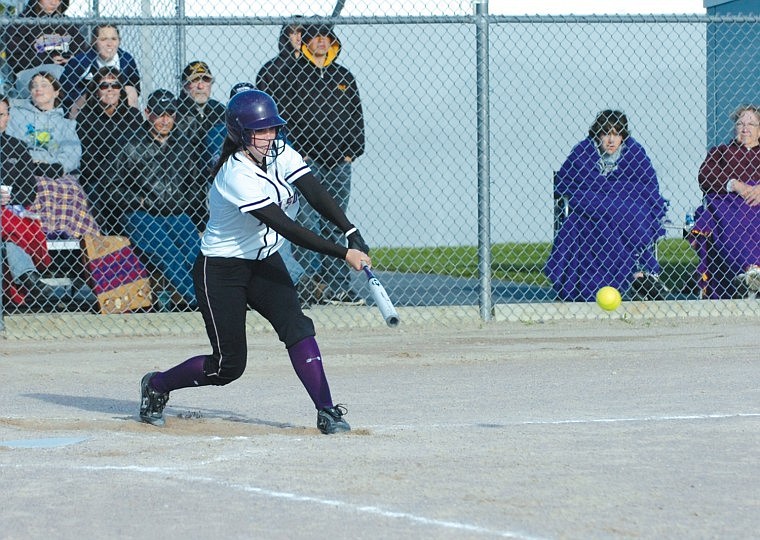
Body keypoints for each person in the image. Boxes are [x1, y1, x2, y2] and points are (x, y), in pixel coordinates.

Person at [138, 90, 371, 434]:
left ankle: (326, 409)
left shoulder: (280, 153)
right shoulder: (235, 175)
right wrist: (343, 252)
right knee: (227, 367)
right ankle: (157, 385)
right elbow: (286, 227)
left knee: (297, 326)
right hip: (222, 271)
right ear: (240, 134)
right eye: (259, 132)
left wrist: (351, 230)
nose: (268, 137)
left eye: (272, 129)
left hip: (263, 261)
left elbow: (314, 191)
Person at [544, 110, 669, 302]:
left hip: (623, 208)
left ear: (623, 136)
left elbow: (646, 186)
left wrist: (608, 195)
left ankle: (631, 277)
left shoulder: (635, 153)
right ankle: (635, 273)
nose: (611, 140)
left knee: (624, 213)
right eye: (606, 133)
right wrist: (608, 197)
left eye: (617, 134)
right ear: (597, 134)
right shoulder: (582, 152)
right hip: (595, 209)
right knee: (593, 220)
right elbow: (565, 182)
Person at [283, 23, 366, 305]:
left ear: (332, 42)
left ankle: (337, 287)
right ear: (305, 42)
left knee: (336, 223)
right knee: (308, 224)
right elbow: (288, 117)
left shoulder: (343, 76)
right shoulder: (295, 76)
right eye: (314, 37)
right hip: (310, 161)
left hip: (339, 161)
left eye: (325, 37)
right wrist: (301, 151)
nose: (320, 41)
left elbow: (356, 116)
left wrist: (353, 150)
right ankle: (308, 287)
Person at [111, 89, 204, 308]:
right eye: (159, 114)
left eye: (170, 114)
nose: (164, 120)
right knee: (168, 252)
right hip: (142, 212)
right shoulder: (131, 144)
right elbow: (112, 186)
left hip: (176, 211)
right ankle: (199, 301)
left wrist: (185, 202)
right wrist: (140, 201)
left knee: (196, 252)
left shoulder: (183, 145)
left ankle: (211, 297)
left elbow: (196, 183)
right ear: (147, 113)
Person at [6, 71, 99, 239]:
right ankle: (40, 231)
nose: (38, 89)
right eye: (34, 86)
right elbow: (9, 143)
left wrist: (58, 166)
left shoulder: (66, 123)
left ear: (56, 91)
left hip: (54, 170)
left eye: (44, 85)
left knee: (71, 189)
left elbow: (72, 152)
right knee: (39, 187)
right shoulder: (15, 116)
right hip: (25, 167)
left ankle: (68, 231)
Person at [695, 104, 760, 297]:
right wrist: (735, 185)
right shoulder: (722, 152)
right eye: (740, 123)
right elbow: (705, 176)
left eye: (751, 124)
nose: (745, 128)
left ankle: (751, 273)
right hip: (731, 205)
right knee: (731, 216)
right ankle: (751, 269)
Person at [75, 67, 144, 232]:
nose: (110, 89)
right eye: (104, 86)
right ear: (96, 91)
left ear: (121, 90)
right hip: (98, 179)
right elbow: (88, 159)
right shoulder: (86, 116)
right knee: (101, 195)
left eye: (116, 85)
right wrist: (111, 178)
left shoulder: (133, 116)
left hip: (128, 179)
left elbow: (140, 153)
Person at [3, 0, 88, 96]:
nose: (54, 3)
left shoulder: (67, 23)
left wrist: (72, 59)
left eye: (58, 0)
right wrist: (49, 60)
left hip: (65, 71)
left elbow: (81, 50)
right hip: (31, 74)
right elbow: (16, 58)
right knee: (56, 71)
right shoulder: (21, 23)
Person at [59, 24, 141, 118]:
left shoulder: (126, 60)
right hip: (89, 106)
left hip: (117, 104)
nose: (109, 43)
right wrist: (92, 93)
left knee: (130, 91)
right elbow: (65, 90)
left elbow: (136, 87)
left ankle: (129, 127)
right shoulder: (81, 62)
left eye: (114, 39)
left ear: (119, 41)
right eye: (103, 39)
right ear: (94, 41)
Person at [175, 60, 225, 168]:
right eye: (195, 80)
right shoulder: (175, 112)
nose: (201, 86)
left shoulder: (220, 110)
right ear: (184, 86)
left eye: (206, 80)